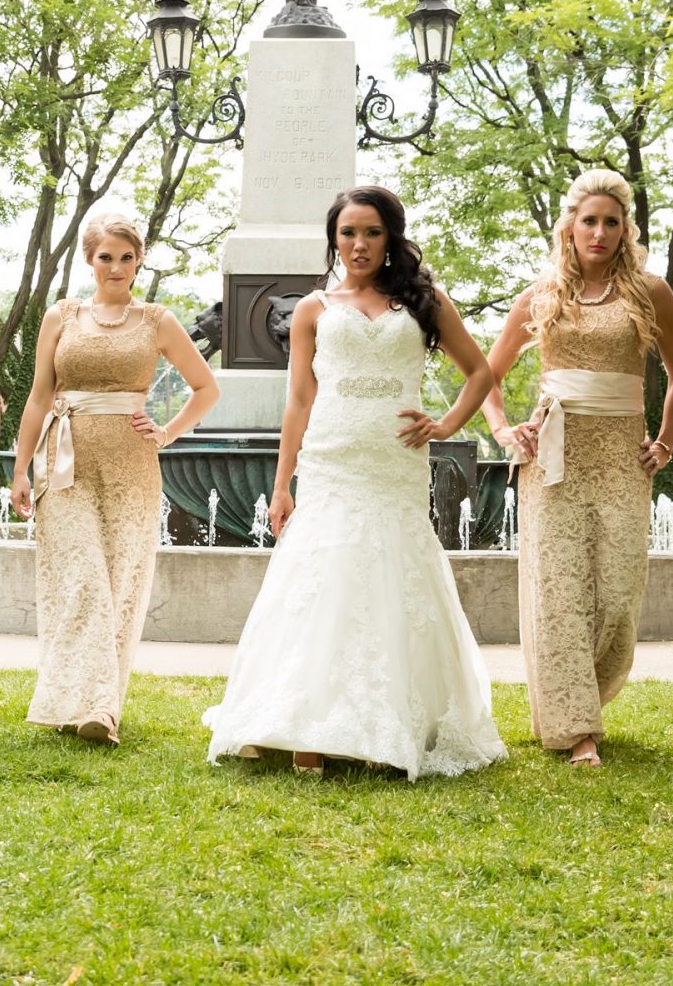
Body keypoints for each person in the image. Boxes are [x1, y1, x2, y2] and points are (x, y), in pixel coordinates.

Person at [204, 185, 507, 780]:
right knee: (323, 579)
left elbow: (480, 372)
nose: (359, 244)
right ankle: (303, 724)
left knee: (392, 577)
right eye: (348, 233)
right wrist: (284, 482)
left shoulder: (425, 301)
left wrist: (445, 423)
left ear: (390, 237)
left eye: (371, 232)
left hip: (394, 461)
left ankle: (389, 716)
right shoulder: (314, 308)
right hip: (331, 458)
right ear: (333, 240)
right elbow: (298, 398)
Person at [481, 170, 673, 768]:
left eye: (611, 222)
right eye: (589, 221)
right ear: (569, 228)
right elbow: (487, 378)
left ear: (626, 230)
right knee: (559, 592)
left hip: (622, 456)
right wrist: (503, 429)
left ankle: (576, 703)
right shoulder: (540, 296)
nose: (599, 232)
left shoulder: (651, 293)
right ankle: (577, 730)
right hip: (553, 460)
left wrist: (667, 441)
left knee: (619, 595)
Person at [9, 214, 218, 746]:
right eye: (107, 257)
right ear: (89, 260)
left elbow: (205, 389)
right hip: (65, 463)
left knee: (119, 582)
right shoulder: (62, 316)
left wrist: (166, 432)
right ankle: (78, 698)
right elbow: (38, 397)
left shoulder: (156, 320)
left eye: (127, 258)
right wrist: (18, 469)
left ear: (139, 260)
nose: (117, 268)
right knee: (80, 579)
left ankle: (101, 707)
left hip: (130, 464)